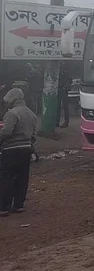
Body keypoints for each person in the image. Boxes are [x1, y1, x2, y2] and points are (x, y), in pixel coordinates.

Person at [0, 88, 37, 217]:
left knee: (7, 177)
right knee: (22, 177)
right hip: (26, 148)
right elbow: (33, 134)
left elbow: (6, 132)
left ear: (13, 100)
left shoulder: (12, 114)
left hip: (11, 150)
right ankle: (18, 205)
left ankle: (4, 207)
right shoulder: (31, 114)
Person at [56, 63, 71, 128]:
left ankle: (66, 122)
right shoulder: (59, 73)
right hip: (59, 89)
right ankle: (57, 122)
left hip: (64, 90)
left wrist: (65, 87)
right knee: (58, 106)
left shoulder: (66, 73)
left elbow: (69, 81)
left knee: (65, 107)